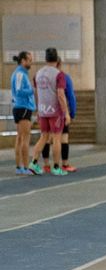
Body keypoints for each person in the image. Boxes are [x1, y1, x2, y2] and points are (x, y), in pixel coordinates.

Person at [29, 48, 69, 176]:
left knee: (44, 136)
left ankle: (33, 163)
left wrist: (38, 109)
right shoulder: (59, 74)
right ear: (57, 59)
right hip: (55, 111)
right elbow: (61, 94)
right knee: (56, 138)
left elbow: (36, 93)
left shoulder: (38, 74)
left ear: (45, 59)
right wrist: (66, 112)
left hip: (42, 110)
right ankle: (56, 167)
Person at [10, 52, 36, 175]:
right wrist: (32, 90)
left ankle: (18, 167)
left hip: (20, 107)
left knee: (20, 138)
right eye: (29, 60)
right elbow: (19, 91)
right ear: (23, 61)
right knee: (25, 138)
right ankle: (25, 167)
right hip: (23, 107)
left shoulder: (19, 73)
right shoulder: (20, 74)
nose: (31, 63)